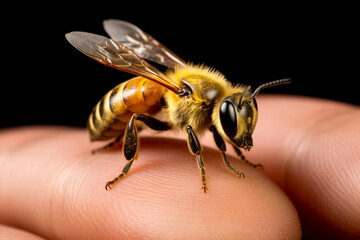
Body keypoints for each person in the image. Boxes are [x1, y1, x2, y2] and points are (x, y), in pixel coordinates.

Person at [0, 95, 359, 240]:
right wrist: (202, 164)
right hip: (125, 104)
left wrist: (240, 152)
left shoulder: (215, 105)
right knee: (139, 115)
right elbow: (190, 129)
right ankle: (126, 166)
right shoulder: (194, 108)